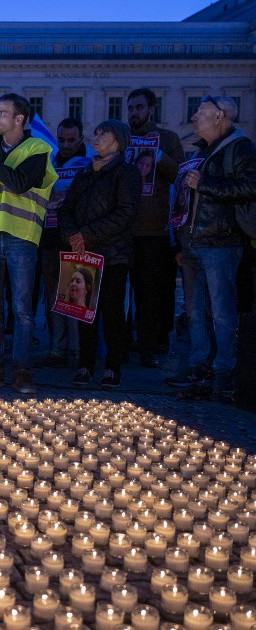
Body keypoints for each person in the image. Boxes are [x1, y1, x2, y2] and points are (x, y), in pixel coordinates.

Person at [0, 93, 58, 394]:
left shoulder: (38, 149)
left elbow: (19, 183)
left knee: (22, 309)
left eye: (2, 113)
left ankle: (21, 371)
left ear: (19, 119)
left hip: (21, 236)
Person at [166, 95, 256, 400]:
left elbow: (250, 187)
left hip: (222, 241)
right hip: (195, 241)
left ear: (220, 116)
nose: (193, 118)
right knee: (196, 311)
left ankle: (223, 372)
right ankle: (199, 367)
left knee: (221, 312)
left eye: (200, 113)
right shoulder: (204, 151)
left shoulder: (240, 148)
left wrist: (204, 183)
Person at [59, 120, 141, 388]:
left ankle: (112, 367)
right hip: (82, 252)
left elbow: (125, 213)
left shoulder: (126, 172)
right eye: (95, 132)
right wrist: (73, 234)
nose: (97, 136)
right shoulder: (85, 171)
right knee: (83, 312)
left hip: (112, 254)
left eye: (103, 133)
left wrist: (87, 234)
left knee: (112, 312)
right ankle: (85, 365)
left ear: (118, 140)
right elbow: (66, 208)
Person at [125, 88, 185, 368]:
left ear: (151, 108)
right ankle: (123, 343)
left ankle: (148, 346)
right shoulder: (122, 136)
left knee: (149, 293)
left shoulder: (170, 138)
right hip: (123, 229)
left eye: (139, 107)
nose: (134, 113)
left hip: (154, 230)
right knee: (122, 293)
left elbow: (180, 175)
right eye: (130, 108)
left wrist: (158, 155)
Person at [37, 117, 90, 369]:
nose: (66, 145)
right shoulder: (50, 162)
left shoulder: (89, 163)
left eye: (71, 140)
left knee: (76, 295)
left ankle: (77, 350)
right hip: (48, 239)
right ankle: (57, 348)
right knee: (53, 297)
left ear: (81, 138)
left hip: (74, 239)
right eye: (62, 140)